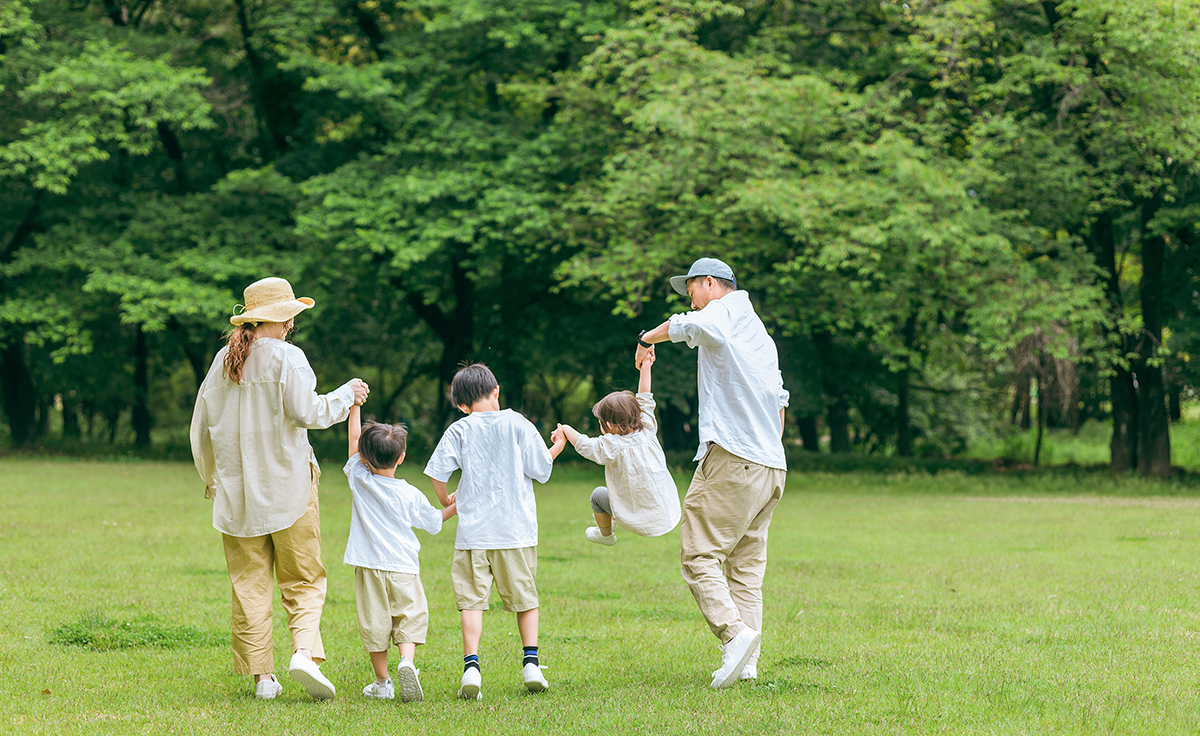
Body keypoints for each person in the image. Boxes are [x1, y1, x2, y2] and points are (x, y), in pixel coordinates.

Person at [190, 276, 370, 701]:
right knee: (304, 579)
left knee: (248, 584)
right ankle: (303, 654)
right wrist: (346, 395)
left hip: (236, 498)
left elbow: (200, 430)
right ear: (284, 316)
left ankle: (263, 679)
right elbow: (308, 412)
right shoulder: (289, 358)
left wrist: (210, 478)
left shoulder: (222, 361)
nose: (292, 324)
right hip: (289, 489)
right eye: (291, 316)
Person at [634, 257, 789, 689]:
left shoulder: (725, 310)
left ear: (709, 283)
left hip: (733, 459)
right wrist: (767, 449)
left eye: (692, 293)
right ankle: (749, 661)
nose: (691, 302)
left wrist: (648, 338)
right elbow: (780, 403)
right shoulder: (761, 335)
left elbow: (691, 327)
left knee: (699, 554)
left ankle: (735, 636)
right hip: (770, 466)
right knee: (745, 567)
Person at [423, 363, 555, 700]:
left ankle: (471, 668)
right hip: (516, 531)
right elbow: (541, 469)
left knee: (471, 602)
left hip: (473, 533)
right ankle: (531, 663)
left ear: (461, 405)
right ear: (495, 390)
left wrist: (446, 498)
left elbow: (438, 473)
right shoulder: (519, 423)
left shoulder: (460, 429)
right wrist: (559, 445)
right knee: (525, 599)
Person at [344, 404, 457, 703]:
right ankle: (407, 662)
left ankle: (382, 682)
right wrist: (456, 505)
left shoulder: (359, 478)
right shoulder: (409, 493)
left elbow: (355, 438)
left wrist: (355, 405)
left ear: (363, 458)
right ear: (402, 457)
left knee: (375, 623)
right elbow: (434, 522)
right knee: (409, 617)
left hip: (369, 566)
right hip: (404, 567)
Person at [549, 349, 680, 546]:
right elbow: (645, 395)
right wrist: (646, 366)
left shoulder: (613, 445)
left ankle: (606, 535)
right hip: (667, 512)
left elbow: (586, 445)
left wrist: (565, 429)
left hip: (638, 517)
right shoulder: (648, 427)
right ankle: (610, 519)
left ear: (608, 425)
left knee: (597, 497)